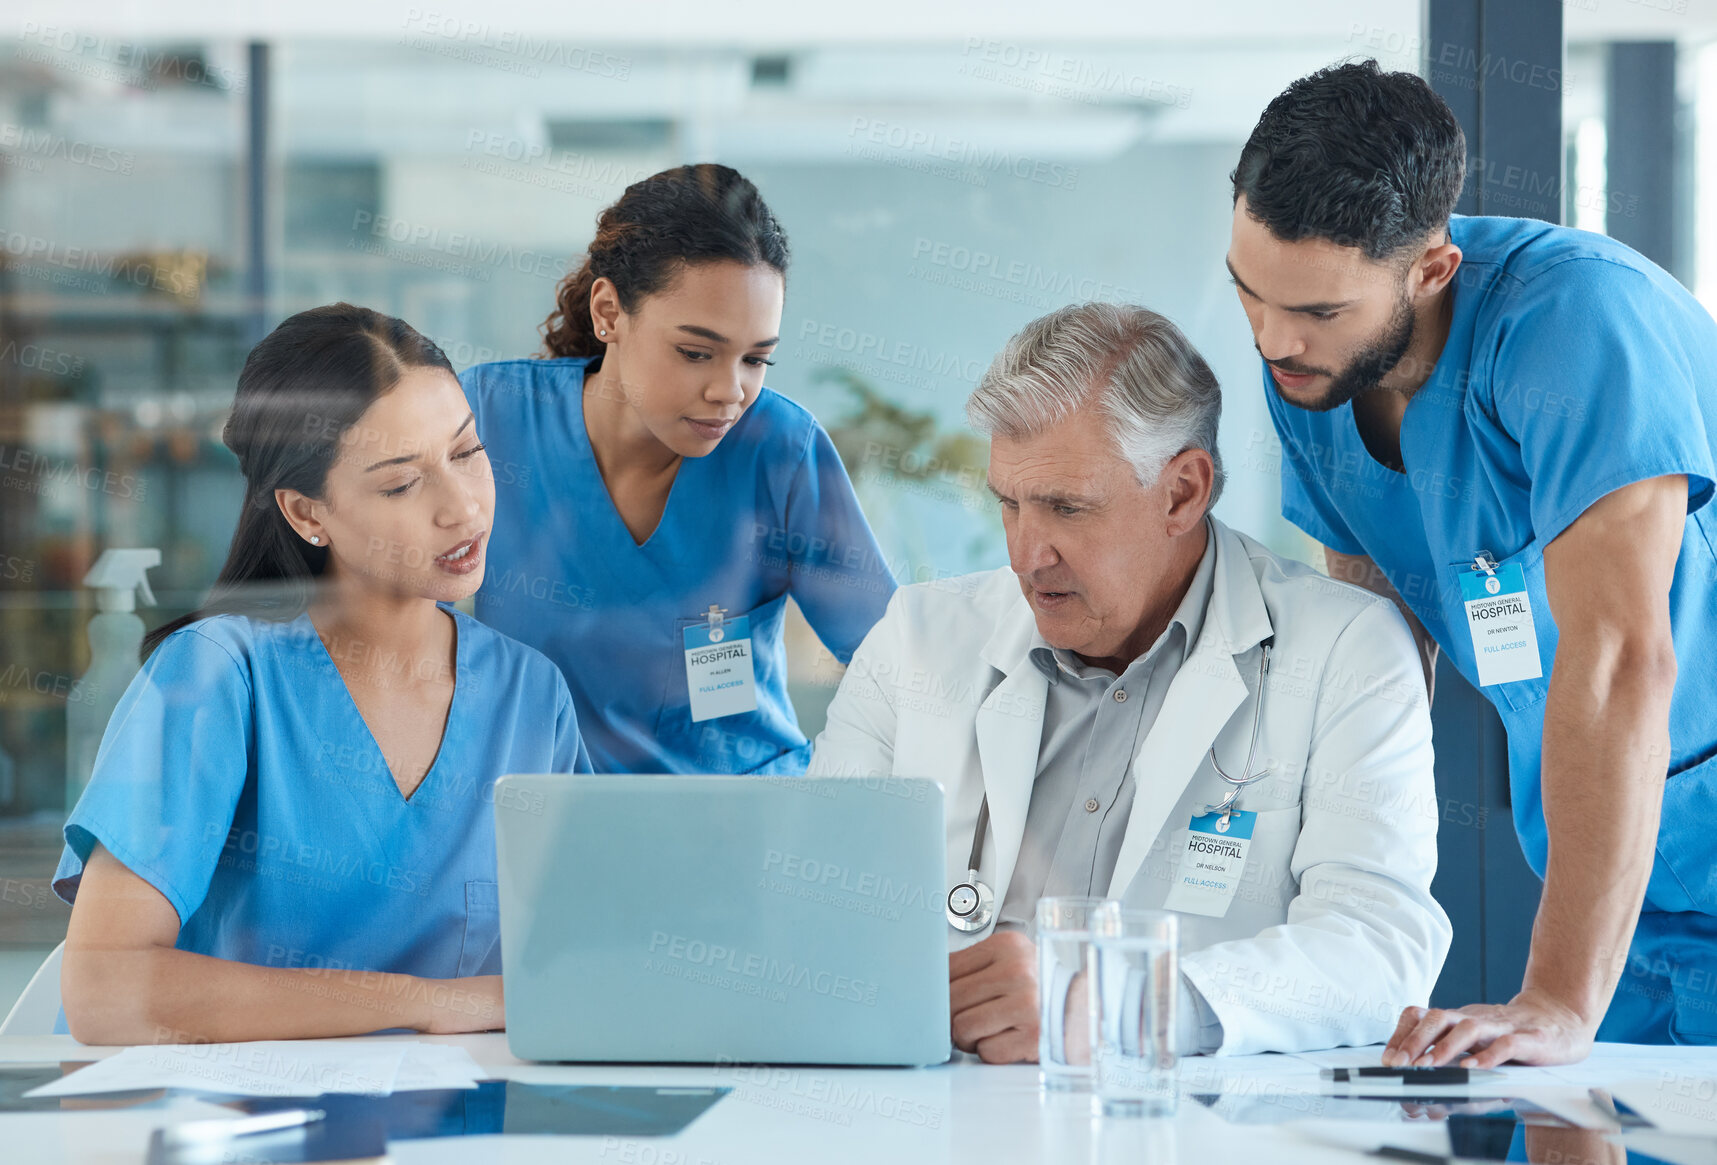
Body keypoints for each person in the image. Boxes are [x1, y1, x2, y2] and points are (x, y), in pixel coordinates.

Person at [1228, 61, 1717, 1063]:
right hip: (1624, 896)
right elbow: (1366, 675)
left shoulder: (1576, 327)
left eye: (1317, 311)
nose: (1273, 339)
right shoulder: (1310, 375)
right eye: (1248, 292)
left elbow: (1623, 659)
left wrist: (1556, 999)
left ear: (1432, 271)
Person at [809, 303, 1451, 1059]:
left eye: (1065, 509)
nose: (1025, 555)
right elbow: (807, 902)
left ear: (1181, 491)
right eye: (1007, 504)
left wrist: (1112, 1002)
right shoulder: (916, 637)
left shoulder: (1346, 648)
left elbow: (1378, 948)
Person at [53, 304, 589, 1044]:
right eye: (402, 484)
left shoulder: (529, 695)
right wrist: (433, 1001)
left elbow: (589, 957)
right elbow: (104, 991)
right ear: (309, 512)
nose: (461, 506)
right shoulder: (216, 679)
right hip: (222, 1134)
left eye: (466, 452)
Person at [463, 164, 896, 775]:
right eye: (696, 353)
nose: (730, 391)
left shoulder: (780, 451)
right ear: (609, 311)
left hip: (748, 820)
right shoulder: (489, 421)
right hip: (543, 824)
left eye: (755, 359)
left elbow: (897, 673)